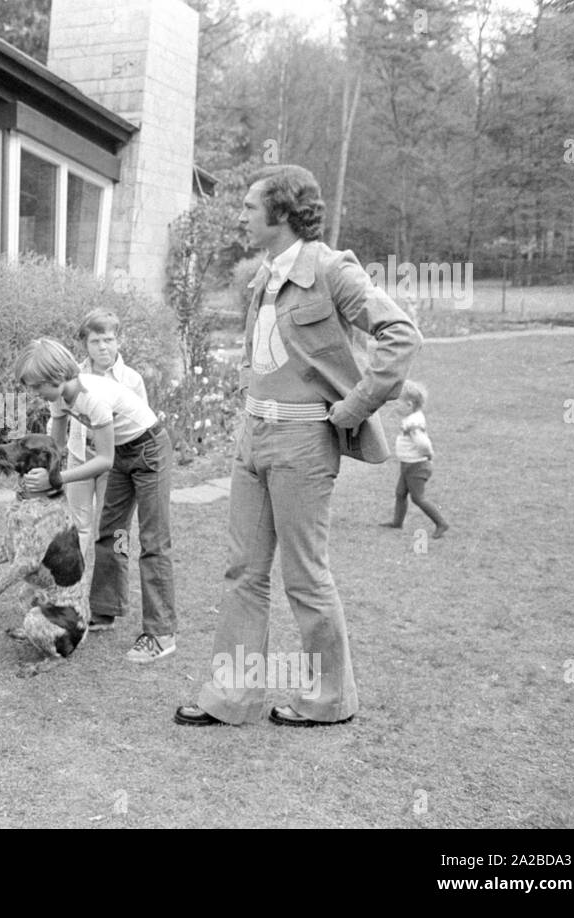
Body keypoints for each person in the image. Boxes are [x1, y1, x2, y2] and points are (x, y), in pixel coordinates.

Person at [174, 164, 421, 727]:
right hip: (252, 439)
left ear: (282, 213)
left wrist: (355, 407)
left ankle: (329, 699)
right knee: (243, 571)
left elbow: (400, 334)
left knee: (305, 576)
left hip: (304, 442)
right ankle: (232, 697)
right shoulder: (263, 274)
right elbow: (256, 351)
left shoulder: (332, 271)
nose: (240, 214)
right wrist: (246, 395)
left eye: (249, 206)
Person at [16, 337, 177, 663]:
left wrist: (57, 478)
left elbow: (103, 460)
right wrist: (42, 475)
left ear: (56, 377)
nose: (36, 394)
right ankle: (105, 609)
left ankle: (161, 633)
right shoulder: (60, 398)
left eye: (38, 388)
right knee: (112, 533)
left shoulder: (93, 399)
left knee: (152, 541)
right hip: (123, 454)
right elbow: (56, 447)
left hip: (149, 451)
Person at [65, 310, 148, 575]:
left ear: (118, 341)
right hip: (80, 456)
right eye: (95, 341)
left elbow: (141, 425)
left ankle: (105, 585)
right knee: (77, 524)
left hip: (114, 465)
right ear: (85, 345)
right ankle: (73, 581)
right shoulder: (73, 375)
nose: (103, 347)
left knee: (111, 526)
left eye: (108, 340)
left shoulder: (131, 380)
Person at [380, 380, 449, 538]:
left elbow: (422, 442)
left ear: (409, 405)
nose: (395, 406)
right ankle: (397, 522)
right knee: (400, 493)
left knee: (418, 498)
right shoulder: (413, 417)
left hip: (417, 466)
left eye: (398, 403)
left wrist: (428, 453)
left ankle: (441, 523)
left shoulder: (413, 422)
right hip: (407, 465)